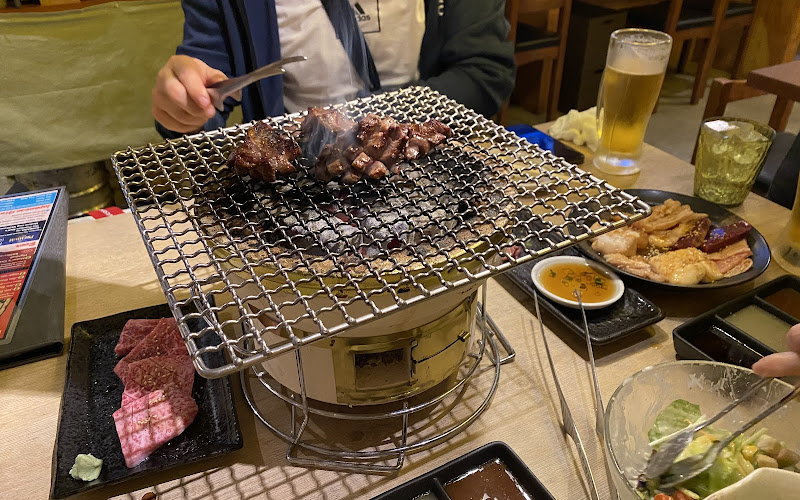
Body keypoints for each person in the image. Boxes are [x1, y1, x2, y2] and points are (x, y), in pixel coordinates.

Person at [152, 0, 515, 138]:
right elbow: (206, 82)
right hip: (294, 176)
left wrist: (363, 125)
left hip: (431, 152)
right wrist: (186, 102)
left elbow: (484, 71)